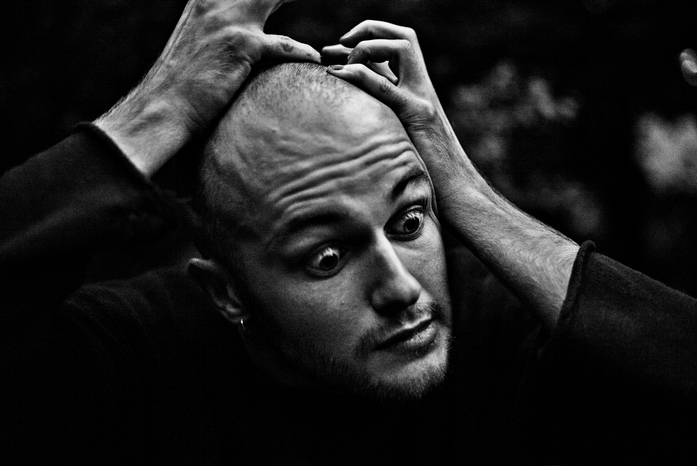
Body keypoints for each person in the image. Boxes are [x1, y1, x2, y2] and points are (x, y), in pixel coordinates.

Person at [1, 0, 696, 464]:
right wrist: (153, 114)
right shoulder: (137, 362)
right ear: (227, 292)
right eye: (327, 256)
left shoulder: (496, 333)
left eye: (409, 221)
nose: (401, 288)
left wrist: (466, 192)